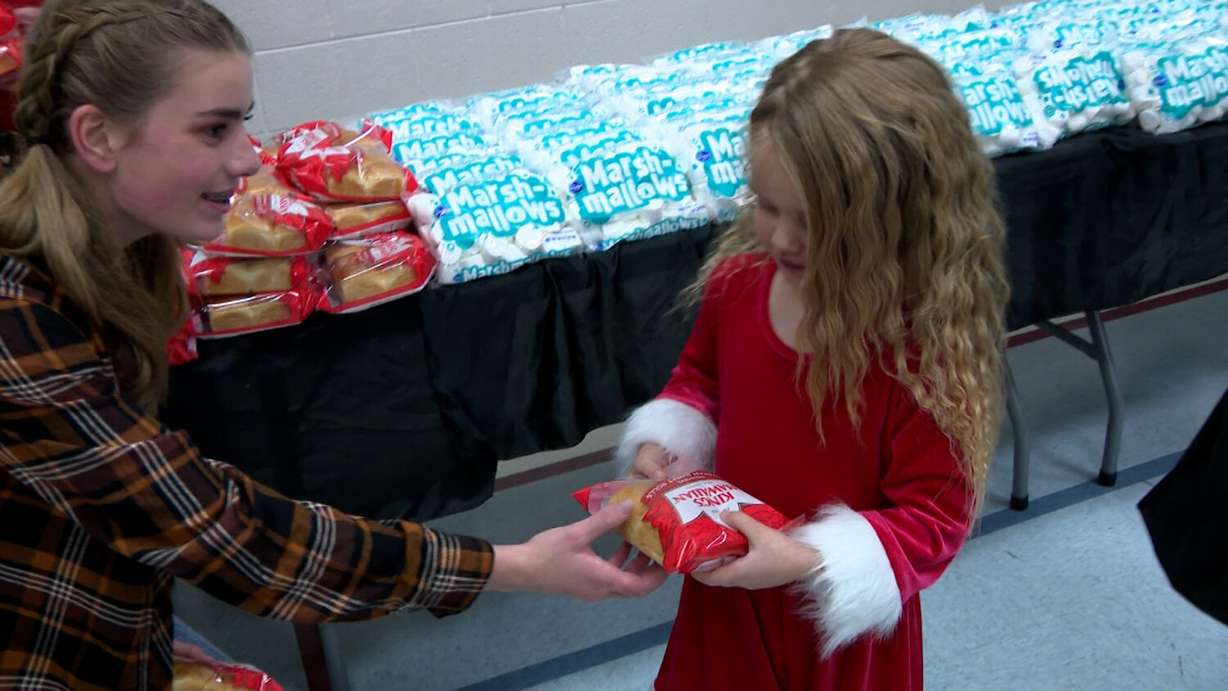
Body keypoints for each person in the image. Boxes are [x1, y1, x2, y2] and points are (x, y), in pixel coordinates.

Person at [0, 1, 664, 688]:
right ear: (98, 137)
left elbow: (106, 512)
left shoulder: (105, 263)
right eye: (213, 129)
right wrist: (511, 565)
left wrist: (142, 628)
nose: (246, 158)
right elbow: (221, 531)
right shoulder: (18, 322)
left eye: (244, 122)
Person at [619, 28, 1009, 690]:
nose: (780, 236)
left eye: (813, 220)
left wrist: (803, 558)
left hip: (836, 629)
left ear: (891, 218)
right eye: (767, 206)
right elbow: (702, 380)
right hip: (728, 604)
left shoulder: (917, 349)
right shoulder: (740, 282)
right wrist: (672, 439)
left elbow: (933, 520)